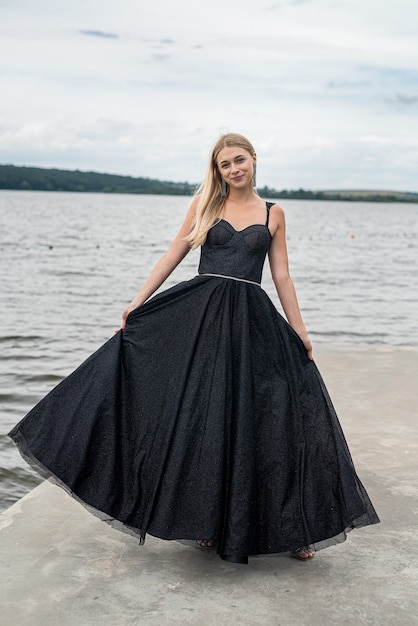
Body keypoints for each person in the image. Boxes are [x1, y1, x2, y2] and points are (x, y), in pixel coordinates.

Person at [9, 132, 379, 565]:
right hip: (201, 317)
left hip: (253, 322)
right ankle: (203, 521)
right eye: (225, 164)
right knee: (203, 421)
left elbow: (281, 276)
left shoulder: (273, 213)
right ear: (217, 169)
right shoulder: (207, 206)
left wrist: (300, 331)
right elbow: (175, 252)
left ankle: (293, 527)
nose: (233, 169)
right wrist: (138, 300)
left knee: (273, 417)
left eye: (239, 160)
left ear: (254, 160)